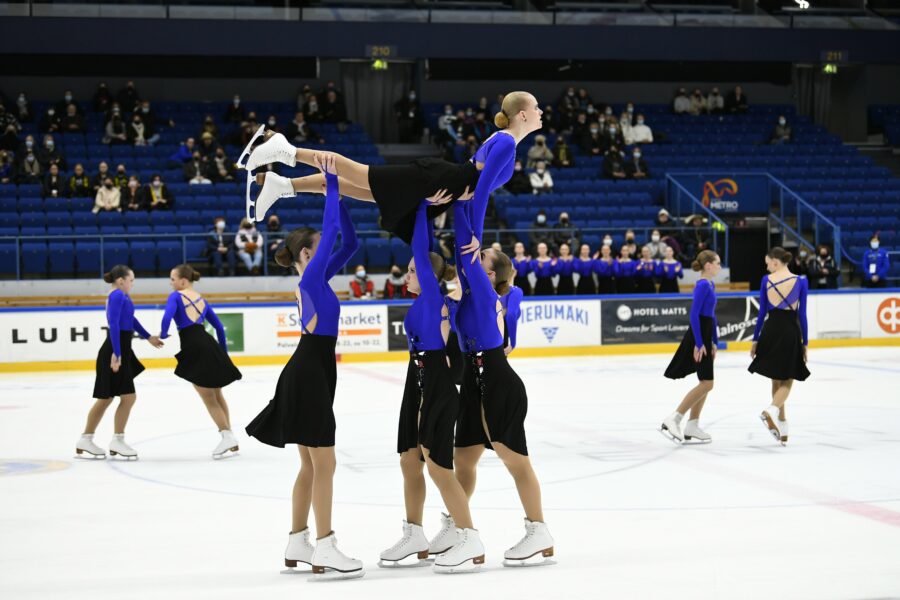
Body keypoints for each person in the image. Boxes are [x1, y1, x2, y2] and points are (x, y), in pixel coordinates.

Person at [246, 159, 364, 579]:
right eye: (320, 246)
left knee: (311, 465)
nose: (328, 249)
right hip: (310, 372)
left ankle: (299, 540)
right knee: (325, 464)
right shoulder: (311, 279)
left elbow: (349, 244)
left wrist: (342, 198)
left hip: (309, 369)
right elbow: (332, 234)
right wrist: (330, 185)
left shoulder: (315, 279)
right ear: (308, 254)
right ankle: (326, 545)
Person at [244, 91, 541, 246]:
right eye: (537, 108)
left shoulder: (504, 141)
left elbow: (475, 192)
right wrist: (476, 238)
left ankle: (283, 186)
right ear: (524, 115)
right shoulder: (505, 143)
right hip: (434, 178)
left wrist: (456, 205)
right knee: (355, 172)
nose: (541, 112)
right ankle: (286, 151)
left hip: (439, 188)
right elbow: (481, 194)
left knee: (353, 187)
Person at [447, 198, 555, 569]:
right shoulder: (463, 296)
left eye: (479, 261)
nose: (469, 262)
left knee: (515, 461)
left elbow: (465, 243)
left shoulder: (486, 292)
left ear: (488, 274)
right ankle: (459, 529)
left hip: (498, 381)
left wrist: (463, 202)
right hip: (473, 381)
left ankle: (538, 530)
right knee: (463, 460)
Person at [381, 199, 479, 571]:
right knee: (409, 460)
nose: (406, 275)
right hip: (416, 380)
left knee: (438, 466)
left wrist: (421, 206)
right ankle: (415, 533)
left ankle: (469, 535)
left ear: (427, 273)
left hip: (435, 383)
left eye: (411, 270)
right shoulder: (422, 301)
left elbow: (421, 248)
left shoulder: (435, 299)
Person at [75, 266, 163, 459]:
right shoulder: (116, 296)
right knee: (124, 397)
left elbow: (130, 319)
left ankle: (89, 438)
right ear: (121, 280)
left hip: (121, 348)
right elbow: (113, 324)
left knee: (108, 398)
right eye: (131, 280)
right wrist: (117, 354)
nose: (133, 284)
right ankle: (115, 440)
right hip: (115, 350)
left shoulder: (122, 296)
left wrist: (148, 337)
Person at [159, 264, 242, 458]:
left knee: (208, 396)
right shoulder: (201, 299)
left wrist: (163, 334)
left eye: (173, 279)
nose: (171, 283)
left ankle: (226, 436)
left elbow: (166, 318)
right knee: (217, 394)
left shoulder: (176, 296)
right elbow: (220, 328)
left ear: (183, 281)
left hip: (194, 346)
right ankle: (229, 435)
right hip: (209, 343)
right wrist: (223, 354)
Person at [749, 247, 810, 445]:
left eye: (768, 263)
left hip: (770, 330)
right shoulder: (801, 281)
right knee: (788, 377)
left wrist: (756, 339)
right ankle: (773, 410)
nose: (766, 267)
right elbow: (802, 315)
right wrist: (805, 342)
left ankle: (782, 423)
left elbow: (761, 314)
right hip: (790, 330)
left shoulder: (766, 281)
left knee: (777, 377)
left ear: (776, 262)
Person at [660, 251, 721, 444]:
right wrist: (700, 342)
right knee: (707, 383)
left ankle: (692, 424)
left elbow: (711, 315)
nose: (720, 266)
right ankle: (675, 418)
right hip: (699, 335)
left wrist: (714, 341)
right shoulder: (702, 285)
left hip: (705, 333)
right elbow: (694, 315)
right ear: (708, 265)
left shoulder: (710, 284)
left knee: (705, 381)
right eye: (718, 263)